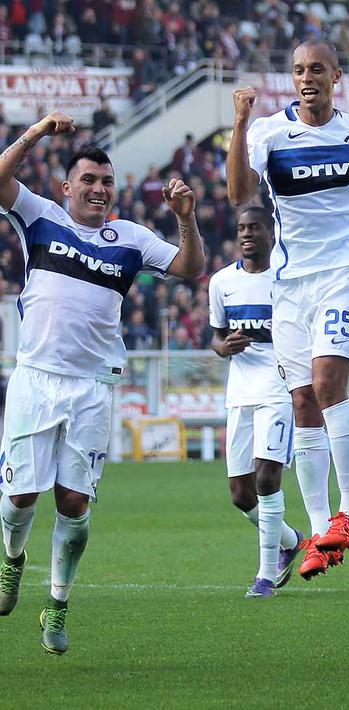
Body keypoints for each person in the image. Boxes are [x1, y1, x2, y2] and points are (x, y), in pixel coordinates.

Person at [0, 112, 205, 654]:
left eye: (106, 181)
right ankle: (12, 559)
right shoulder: (39, 217)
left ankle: (58, 603)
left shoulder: (130, 239)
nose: (98, 189)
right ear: (66, 187)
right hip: (35, 379)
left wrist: (186, 217)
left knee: (73, 503)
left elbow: (188, 266)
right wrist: (40, 131)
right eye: (87, 180)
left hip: (91, 389)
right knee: (19, 498)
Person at [226, 39, 349, 577]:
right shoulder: (267, 132)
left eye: (316, 69)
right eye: (297, 70)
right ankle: (318, 533)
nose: (306, 78)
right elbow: (241, 193)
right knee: (304, 401)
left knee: (329, 382)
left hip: (345, 272)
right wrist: (240, 123)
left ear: (337, 76)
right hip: (290, 285)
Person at [207, 206, 305, 597]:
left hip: (278, 390)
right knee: (241, 494)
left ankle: (264, 577)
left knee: (267, 477)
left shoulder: (286, 280)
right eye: (242, 228)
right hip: (240, 393)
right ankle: (290, 540)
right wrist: (223, 347)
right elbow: (215, 336)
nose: (247, 234)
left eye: (255, 228)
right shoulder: (221, 282)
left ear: (271, 233)